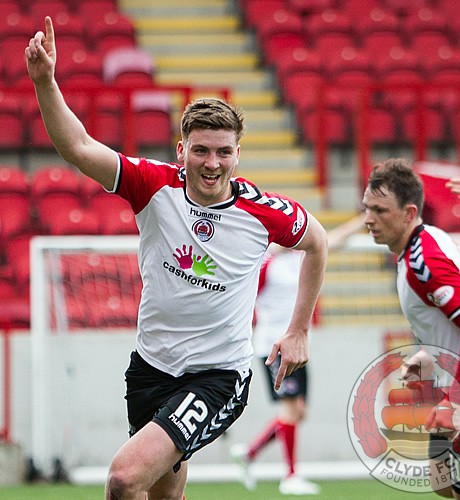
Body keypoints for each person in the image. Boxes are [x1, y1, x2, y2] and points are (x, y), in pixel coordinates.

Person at [25, 17, 328, 500]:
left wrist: (299, 330)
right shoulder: (153, 185)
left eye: (224, 152)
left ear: (238, 154)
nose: (212, 163)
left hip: (217, 377)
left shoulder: (263, 211)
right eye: (201, 150)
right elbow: (78, 148)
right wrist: (45, 82)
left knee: (124, 479)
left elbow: (317, 242)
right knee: (163, 493)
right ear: (181, 149)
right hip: (150, 368)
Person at [362, 158, 460, 500]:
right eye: (367, 208)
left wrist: (456, 399)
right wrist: (427, 354)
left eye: (380, 210)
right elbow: (450, 322)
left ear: (409, 213)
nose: (368, 219)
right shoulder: (421, 245)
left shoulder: (425, 262)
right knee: (443, 482)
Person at [230, 215, 364, 496]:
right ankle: (290, 476)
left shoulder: (301, 255)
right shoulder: (264, 261)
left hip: (299, 347)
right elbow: (241, 290)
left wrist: (362, 220)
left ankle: (250, 452)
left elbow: (330, 241)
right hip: (274, 346)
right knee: (291, 410)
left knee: (298, 411)